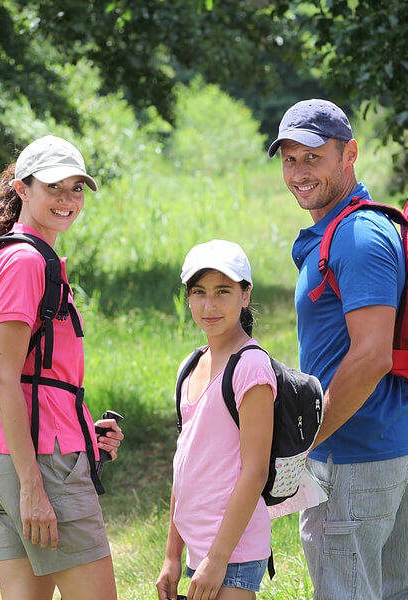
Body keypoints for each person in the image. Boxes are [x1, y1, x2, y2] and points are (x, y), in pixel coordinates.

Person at [267, 99, 408, 599]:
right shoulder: (363, 226)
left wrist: (305, 440)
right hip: (402, 445)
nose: (299, 172)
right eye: (289, 158)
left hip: (356, 455)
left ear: (349, 154)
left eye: (313, 157)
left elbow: (372, 355)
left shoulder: (357, 238)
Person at [0, 134, 124, 600]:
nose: (67, 199)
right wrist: (33, 486)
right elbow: (5, 378)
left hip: (10, 455)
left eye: (76, 188)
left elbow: (42, 377)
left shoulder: (32, 257)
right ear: (21, 189)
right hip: (37, 463)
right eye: (54, 186)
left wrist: (83, 434)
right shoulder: (23, 261)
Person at [156, 240, 277, 600]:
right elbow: (184, 466)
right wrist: (171, 556)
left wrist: (218, 558)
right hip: (199, 548)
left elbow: (255, 471)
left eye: (223, 291)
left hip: (231, 551)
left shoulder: (251, 367)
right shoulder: (191, 364)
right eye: (199, 293)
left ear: (245, 294)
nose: (209, 305)